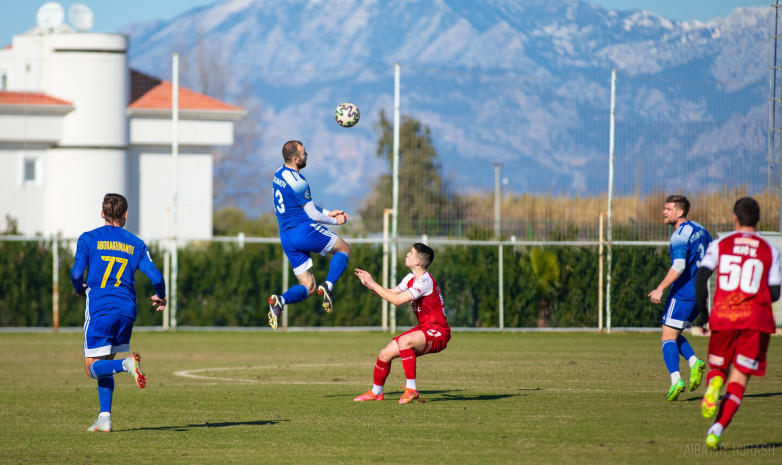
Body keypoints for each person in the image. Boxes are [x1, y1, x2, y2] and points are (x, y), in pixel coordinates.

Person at [70, 193, 167, 432]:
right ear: (125, 215)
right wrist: (161, 295)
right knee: (106, 363)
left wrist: (79, 289)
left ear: (102, 213)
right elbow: (157, 277)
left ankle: (126, 365)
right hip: (126, 311)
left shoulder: (88, 239)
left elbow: (75, 275)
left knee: (92, 367)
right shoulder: (136, 243)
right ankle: (105, 418)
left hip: (101, 309)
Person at [694, 197, 780, 450]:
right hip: (754, 321)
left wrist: (703, 315)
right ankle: (716, 431)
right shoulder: (769, 250)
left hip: (723, 317)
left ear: (735, 218)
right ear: (758, 219)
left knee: (718, 369)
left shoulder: (721, 244)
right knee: (739, 380)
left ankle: (713, 384)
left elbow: (702, 278)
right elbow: (775, 292)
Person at [267, 140, 350, 330]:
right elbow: (311, 214)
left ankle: (280, 301)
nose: (307, 155)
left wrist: (329, 212)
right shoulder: (300, 182)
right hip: (303, 230)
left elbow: (303, 205)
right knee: (344, 249)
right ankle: (329, 285)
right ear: (295, 159)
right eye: (304, 153)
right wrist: (335, 221)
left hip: (287, 237)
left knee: (309, 287)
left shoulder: (278, 174)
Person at [353, 243, 450, 404]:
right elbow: (391, 293)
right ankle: (376, 392)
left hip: (438, 331)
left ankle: (411, 389)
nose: (407, 254)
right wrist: (370, 285)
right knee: (384, 354)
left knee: (404, 342)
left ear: (417, 261)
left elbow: (397, 301)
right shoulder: (410, 278)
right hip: (424, 328)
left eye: (411, 252)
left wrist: (373, 284)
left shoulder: (425, 281)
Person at [648, 195, 712, 401]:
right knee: (673, 334)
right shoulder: (700, 229)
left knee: (667, 337)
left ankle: (676, 380)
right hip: (699, 293)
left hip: (683, 293)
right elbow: (712, 256)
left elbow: (679, 266)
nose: (664, 212)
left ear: (680, 212)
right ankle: (694, 362)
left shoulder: (679, 235)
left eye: (668, 209)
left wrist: (660, 288)